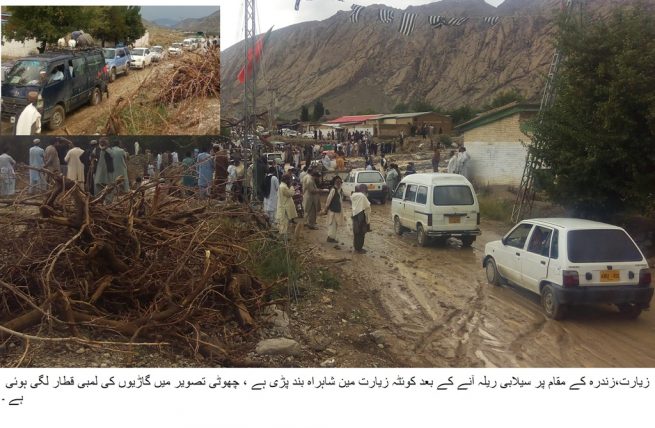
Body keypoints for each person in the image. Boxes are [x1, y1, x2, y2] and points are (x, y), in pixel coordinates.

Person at [321, 176, 345, 243]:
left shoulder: (339, 190)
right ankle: (330, 238)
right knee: (332, 224)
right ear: (334, 182)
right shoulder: (333, 190)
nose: (339, 183)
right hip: (333, 211)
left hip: (337, 210)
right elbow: (328, 200)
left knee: (335, 224)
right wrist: (325, 209)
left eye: (340, 182)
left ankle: (332, 237)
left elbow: (340, 201)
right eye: (337, 182)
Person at [351, 184, 371, 253]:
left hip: (355, 218)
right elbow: (366, 208)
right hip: (361, 218)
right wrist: (366, 223)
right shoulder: (362, 197)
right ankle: (359, 249)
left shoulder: (354, 196)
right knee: (361, 234)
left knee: (356, 234)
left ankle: (356, 248)